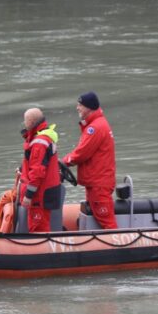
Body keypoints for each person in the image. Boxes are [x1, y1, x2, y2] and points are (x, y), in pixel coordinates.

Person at [62, 92, 117, 229]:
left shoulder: (95, 128)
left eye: (80, 105)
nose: (77, 108)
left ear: (89, 107)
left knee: (107, 223)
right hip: (97, 182)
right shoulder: (97, 124)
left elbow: (81, 154)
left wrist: (63, 162)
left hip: (99, 183)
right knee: (100, 219)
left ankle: (120, 247)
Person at [19, 107, 62, 233]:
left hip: (40, 195)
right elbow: (37, 163)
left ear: (31, 122)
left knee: (38, 229)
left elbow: (37, 172)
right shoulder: (45, 137)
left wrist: (28, 195)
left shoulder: (39, 142)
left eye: (25, 121)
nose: (24, 124)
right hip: (46, 190)